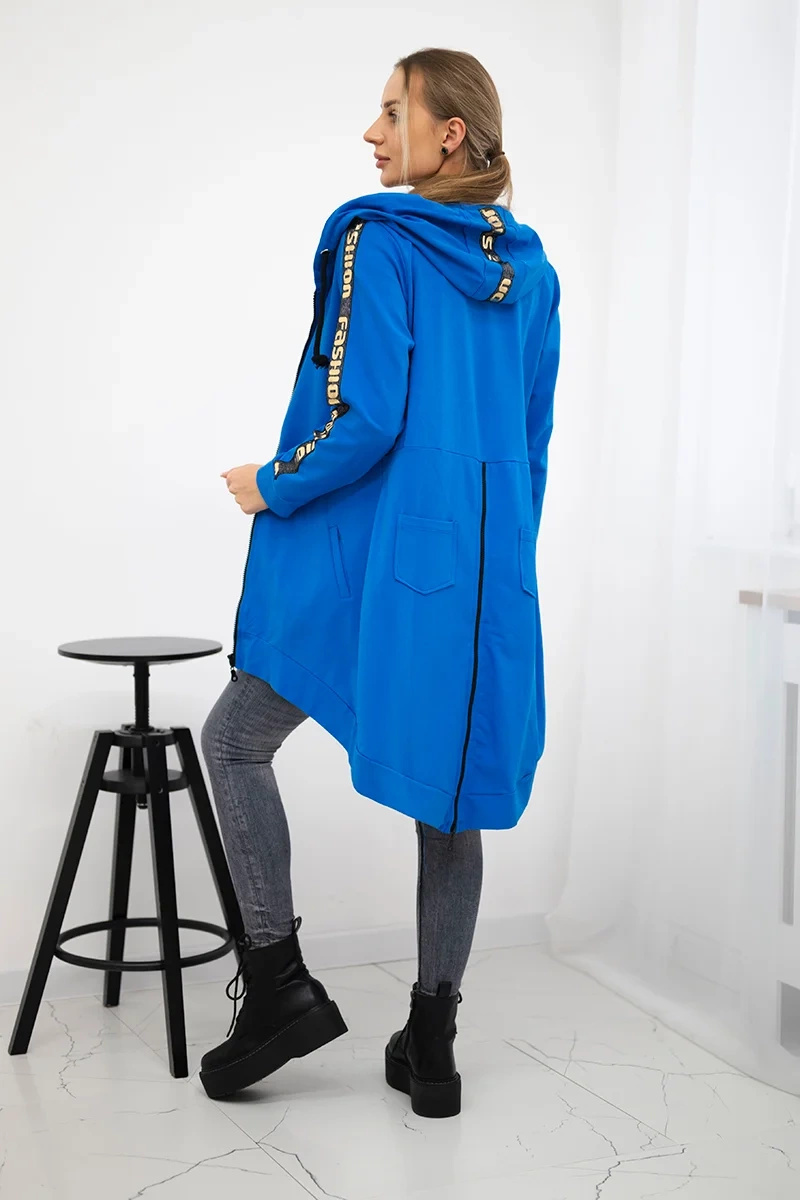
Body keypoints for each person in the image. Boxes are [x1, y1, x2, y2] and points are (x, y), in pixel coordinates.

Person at [199, 47, 561, 1118]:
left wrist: (271, 483)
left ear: (448, 133)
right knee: (452, 799)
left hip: (376, 561)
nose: (371, 131)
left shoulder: (380, 237)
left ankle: (278, 984)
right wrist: (497, 566)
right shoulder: (534, 273)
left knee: (234, 740)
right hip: (483, 572)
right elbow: (532, 444)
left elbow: (362, 416)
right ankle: (432, 1047)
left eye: (392, 110)